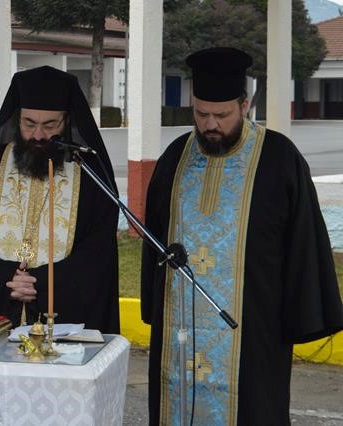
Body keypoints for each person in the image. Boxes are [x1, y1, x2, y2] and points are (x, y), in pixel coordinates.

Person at [141, 47, 343, 425]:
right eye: (201, 114)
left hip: (255, 328)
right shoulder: (175, 158)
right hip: (180, 328)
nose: (210, 125)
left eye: (222, 115)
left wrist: (298, 316)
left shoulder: (279, 158)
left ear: (244, 105)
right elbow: (155, 239)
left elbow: (305, 243)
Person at [0, 66, 120, 333]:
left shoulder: (90, 173)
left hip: (64, 321)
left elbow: (98, 252)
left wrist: (42, 284)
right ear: (16, 119)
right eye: (29, 124)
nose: (38, 136)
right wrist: (6, 279)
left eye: (50, 125)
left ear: (67, 122)